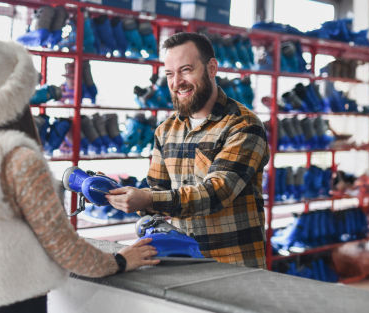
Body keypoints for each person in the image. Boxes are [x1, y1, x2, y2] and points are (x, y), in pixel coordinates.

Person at [0, 38, 159, 313]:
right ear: (17, 93)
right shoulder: (19, 159)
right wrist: (120, 261)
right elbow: (64, 247)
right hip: (13, 307)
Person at [105, 32, 270, 268]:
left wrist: (147, 199)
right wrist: (120, 196)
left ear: (211, 68)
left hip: (234, 267)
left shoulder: (243, 126)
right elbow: (157, 192)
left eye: (186, 70)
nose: (176, 82)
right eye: (170, 74)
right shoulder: (166, 130)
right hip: (181, 262)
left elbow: (216, 194)